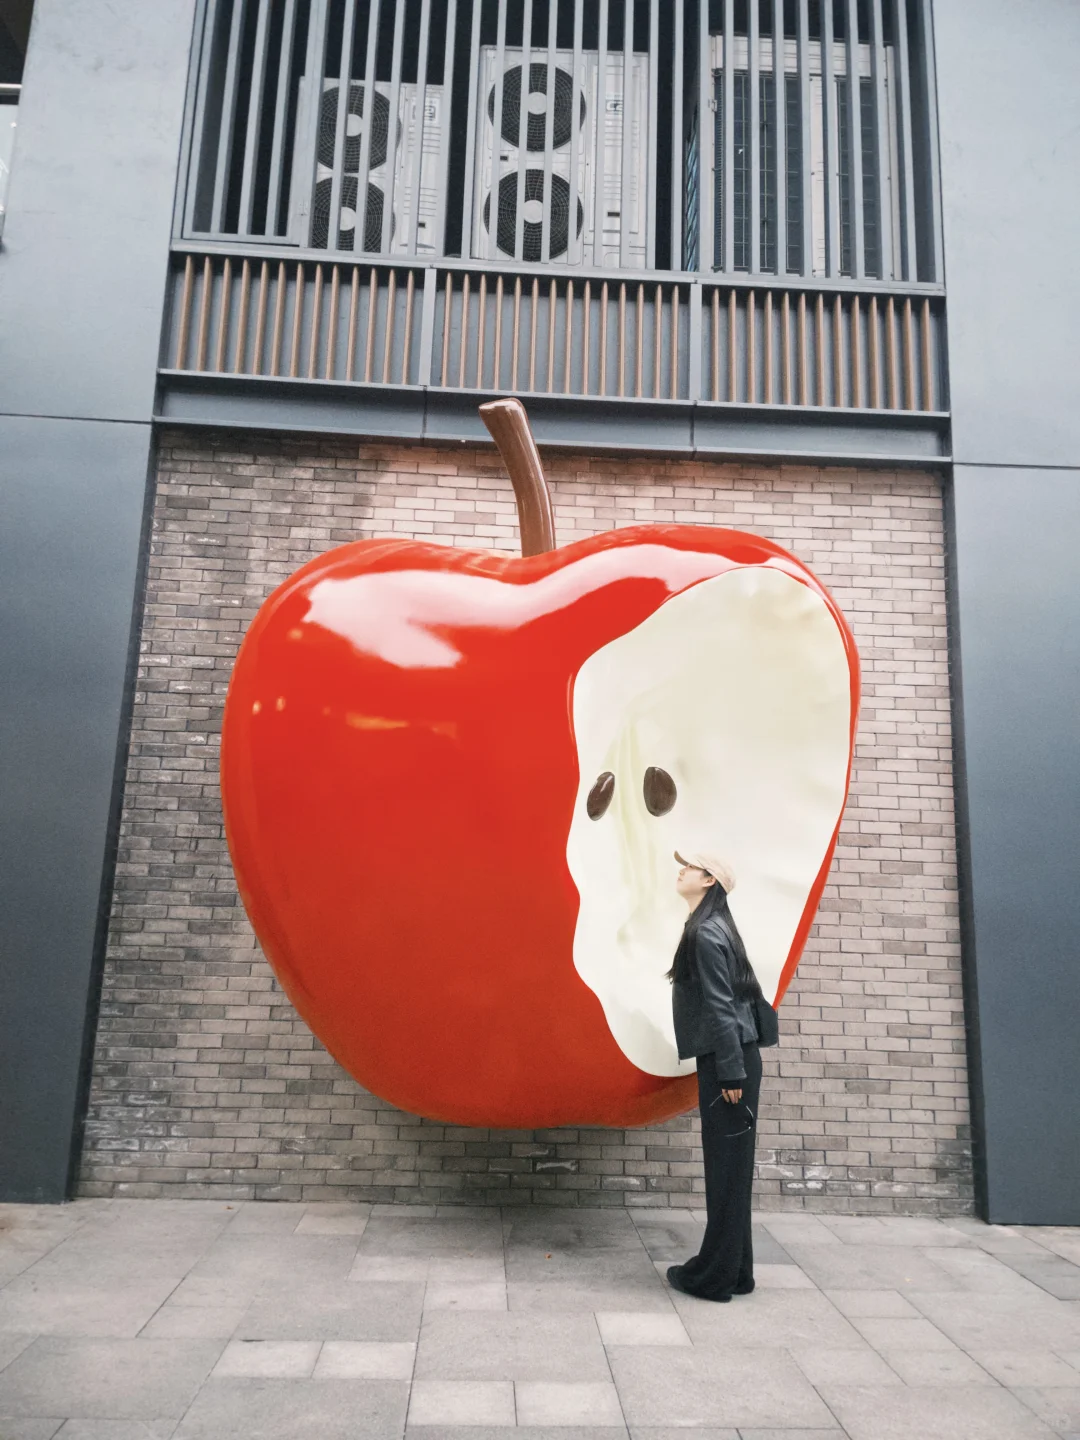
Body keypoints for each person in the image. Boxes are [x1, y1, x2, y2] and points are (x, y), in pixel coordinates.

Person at [665, 850, 764, 1302]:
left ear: (708, 882)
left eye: (691, 867)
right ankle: (737, 1271)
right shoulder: (714, 926)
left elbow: (722, 1006)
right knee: (733, 1169)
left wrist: (729, 1073)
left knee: (725, 1170)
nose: (681, 870)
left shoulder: (705, 931)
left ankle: (715, 1276)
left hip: (730, 1063)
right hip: (736, 1058)